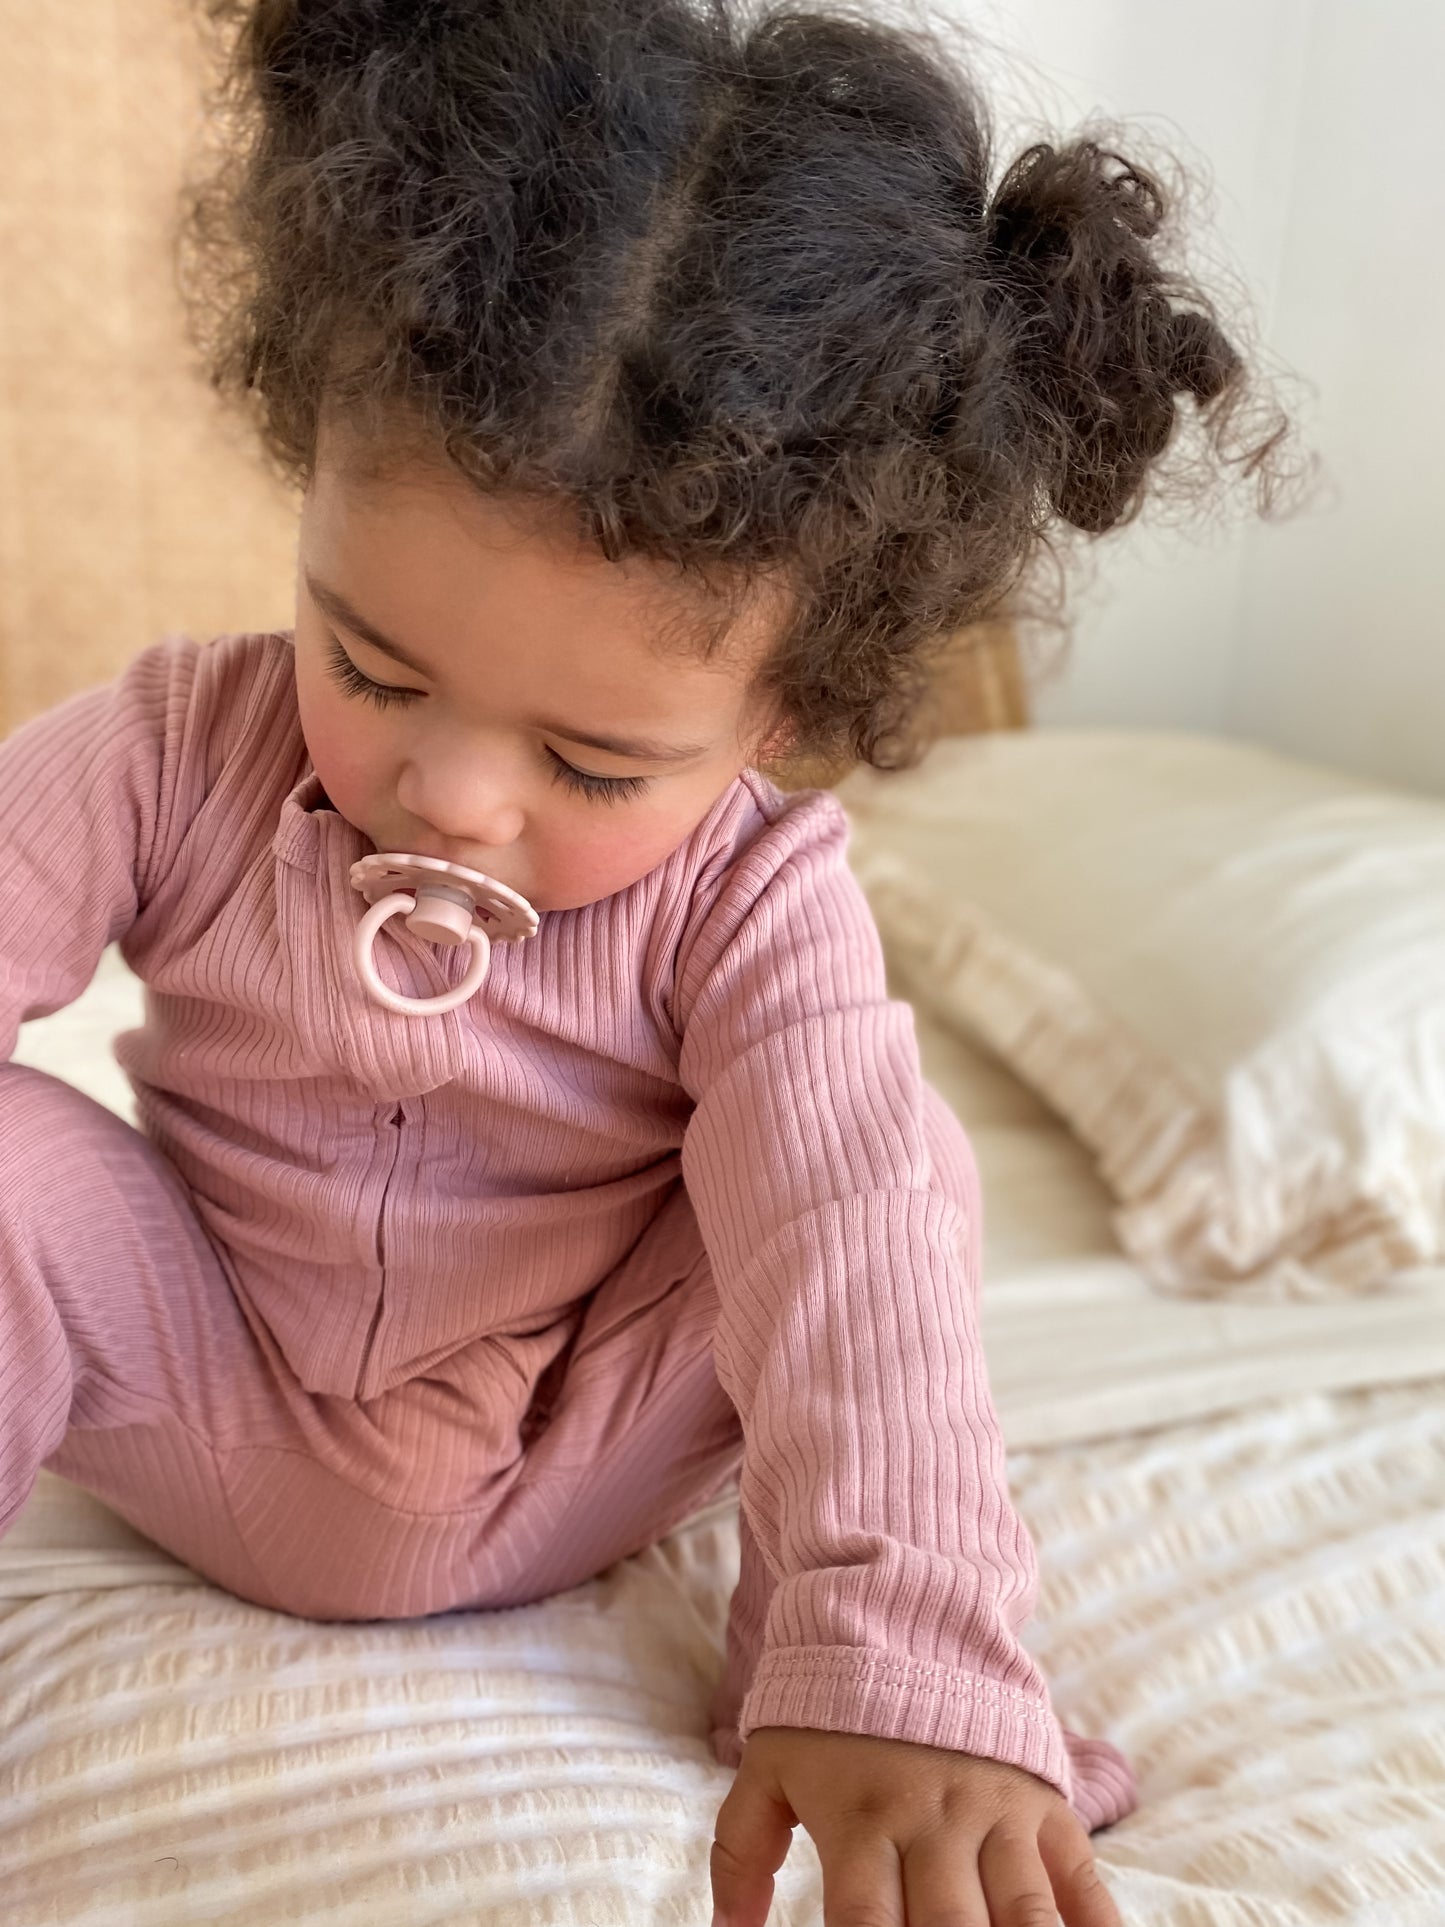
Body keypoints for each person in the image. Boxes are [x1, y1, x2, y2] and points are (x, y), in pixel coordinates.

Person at [0, 1, 1295, 1920]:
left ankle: (865, 1678)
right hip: (211, 1403)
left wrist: (909, 1633)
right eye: (368, 660)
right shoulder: (176, 746)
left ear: (786, 718)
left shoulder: (752, 901)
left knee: (878, 1176)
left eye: (593, 761)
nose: (443, 791)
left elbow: (843, 1244)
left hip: (570, 1450)